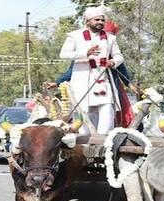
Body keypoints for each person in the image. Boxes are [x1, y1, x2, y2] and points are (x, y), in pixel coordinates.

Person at [49, 6, 124, 135]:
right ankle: (85, 142)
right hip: (82, 81)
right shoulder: (75, 36)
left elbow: (119, 56)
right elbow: (64, 54)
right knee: (83, 113)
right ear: (88, 21)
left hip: (103, 81)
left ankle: (102, 140)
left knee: (107, 108)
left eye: (102, 20)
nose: (100, 22)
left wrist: (113, 62)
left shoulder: (110, 38)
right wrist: (85, 53)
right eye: (97, 20)